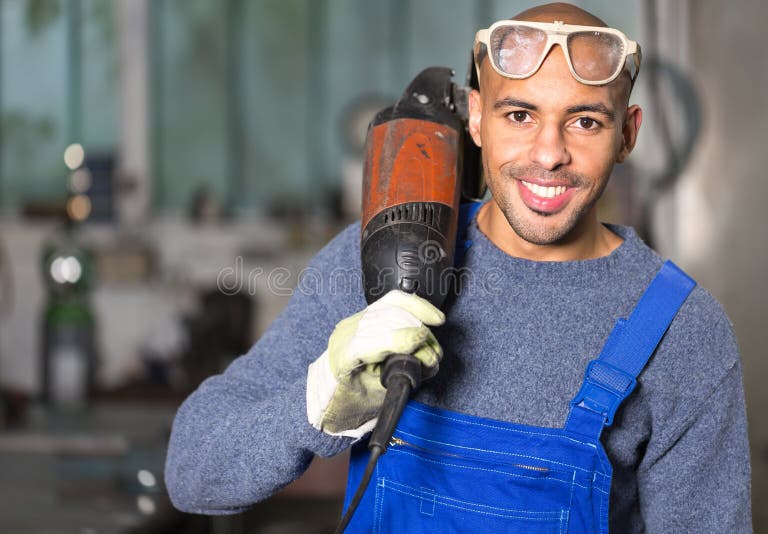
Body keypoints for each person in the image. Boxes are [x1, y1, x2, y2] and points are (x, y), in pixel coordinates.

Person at [165, 3, 751, 531]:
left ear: (628, 134)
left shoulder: (683, 331)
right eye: (519, 115)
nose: (549, 154)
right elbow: (193, 475)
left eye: (585, 121)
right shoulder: (376, 257)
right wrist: (317, 404)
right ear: (475, 118)